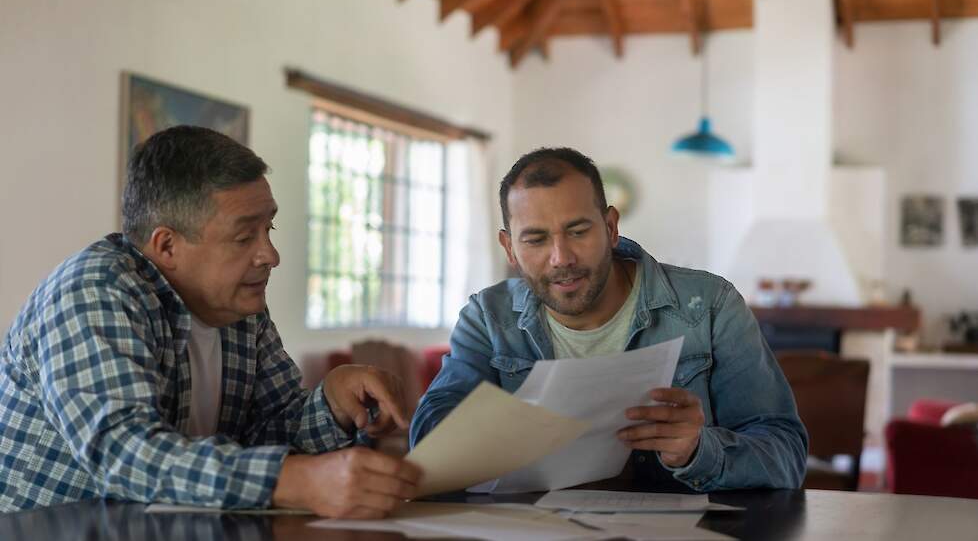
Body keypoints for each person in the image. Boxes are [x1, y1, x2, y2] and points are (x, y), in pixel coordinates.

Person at [0, 126, 421, 516]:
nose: (270, 255)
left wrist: (332, 404)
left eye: (268, 228)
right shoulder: (94, 291)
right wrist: (291, 481)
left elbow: (267, 434)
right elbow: (125, 455)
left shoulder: (236, 307)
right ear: (167, 246)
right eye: (244, 237)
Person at [410, 147, 808, 491]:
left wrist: (697, 450)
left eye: (578, 231)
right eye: (535, 239)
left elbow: (785, 453)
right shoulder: (487, 318)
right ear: (509, 248)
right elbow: (427, 448)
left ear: (611, 227)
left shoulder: (709, 306)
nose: (561, 257)